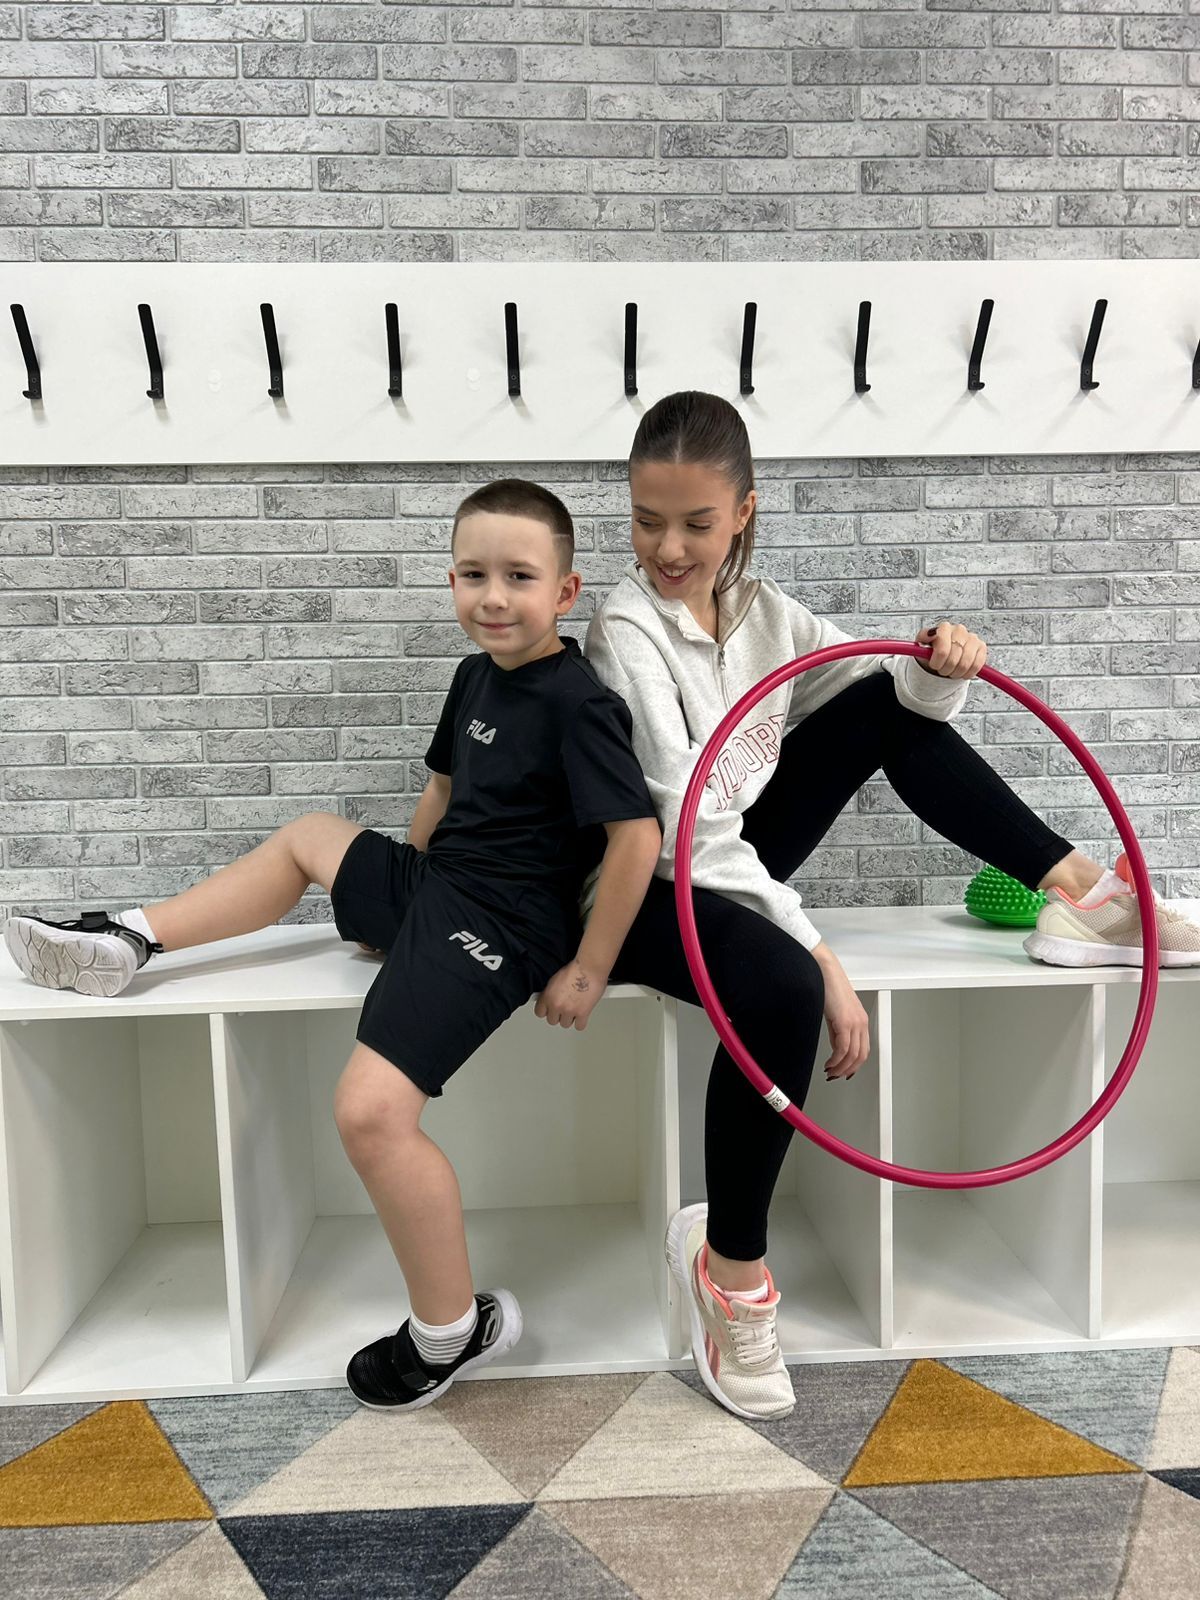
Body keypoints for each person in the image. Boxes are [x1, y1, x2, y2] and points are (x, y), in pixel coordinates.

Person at [584, 389, 1200, 1424]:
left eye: (696, 522)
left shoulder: (769, 616)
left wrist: (942, 665)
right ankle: (730, 1273)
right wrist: (817, 951)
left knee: (882, 697)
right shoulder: (624, 629)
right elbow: (683, 829)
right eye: (648, 521)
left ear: (744, 512)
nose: (669, 548)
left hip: (732, 858)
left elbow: (900, 710)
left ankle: (1079, 893)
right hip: (640, 884)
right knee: (783, 988)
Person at [4, 479, 662, 1413]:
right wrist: (399, 903)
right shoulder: (475, 676)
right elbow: (441, 794)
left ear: (565, 591)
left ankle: (452, 1331)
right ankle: (131, 940)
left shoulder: (578, 703)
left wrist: (588, 969)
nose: (493, 597)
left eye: (519, 577)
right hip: (440, 892)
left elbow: (635, 838)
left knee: (368, 1114)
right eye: (473, 574)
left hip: (504, 926)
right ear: (451, 580)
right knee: (310, 835)